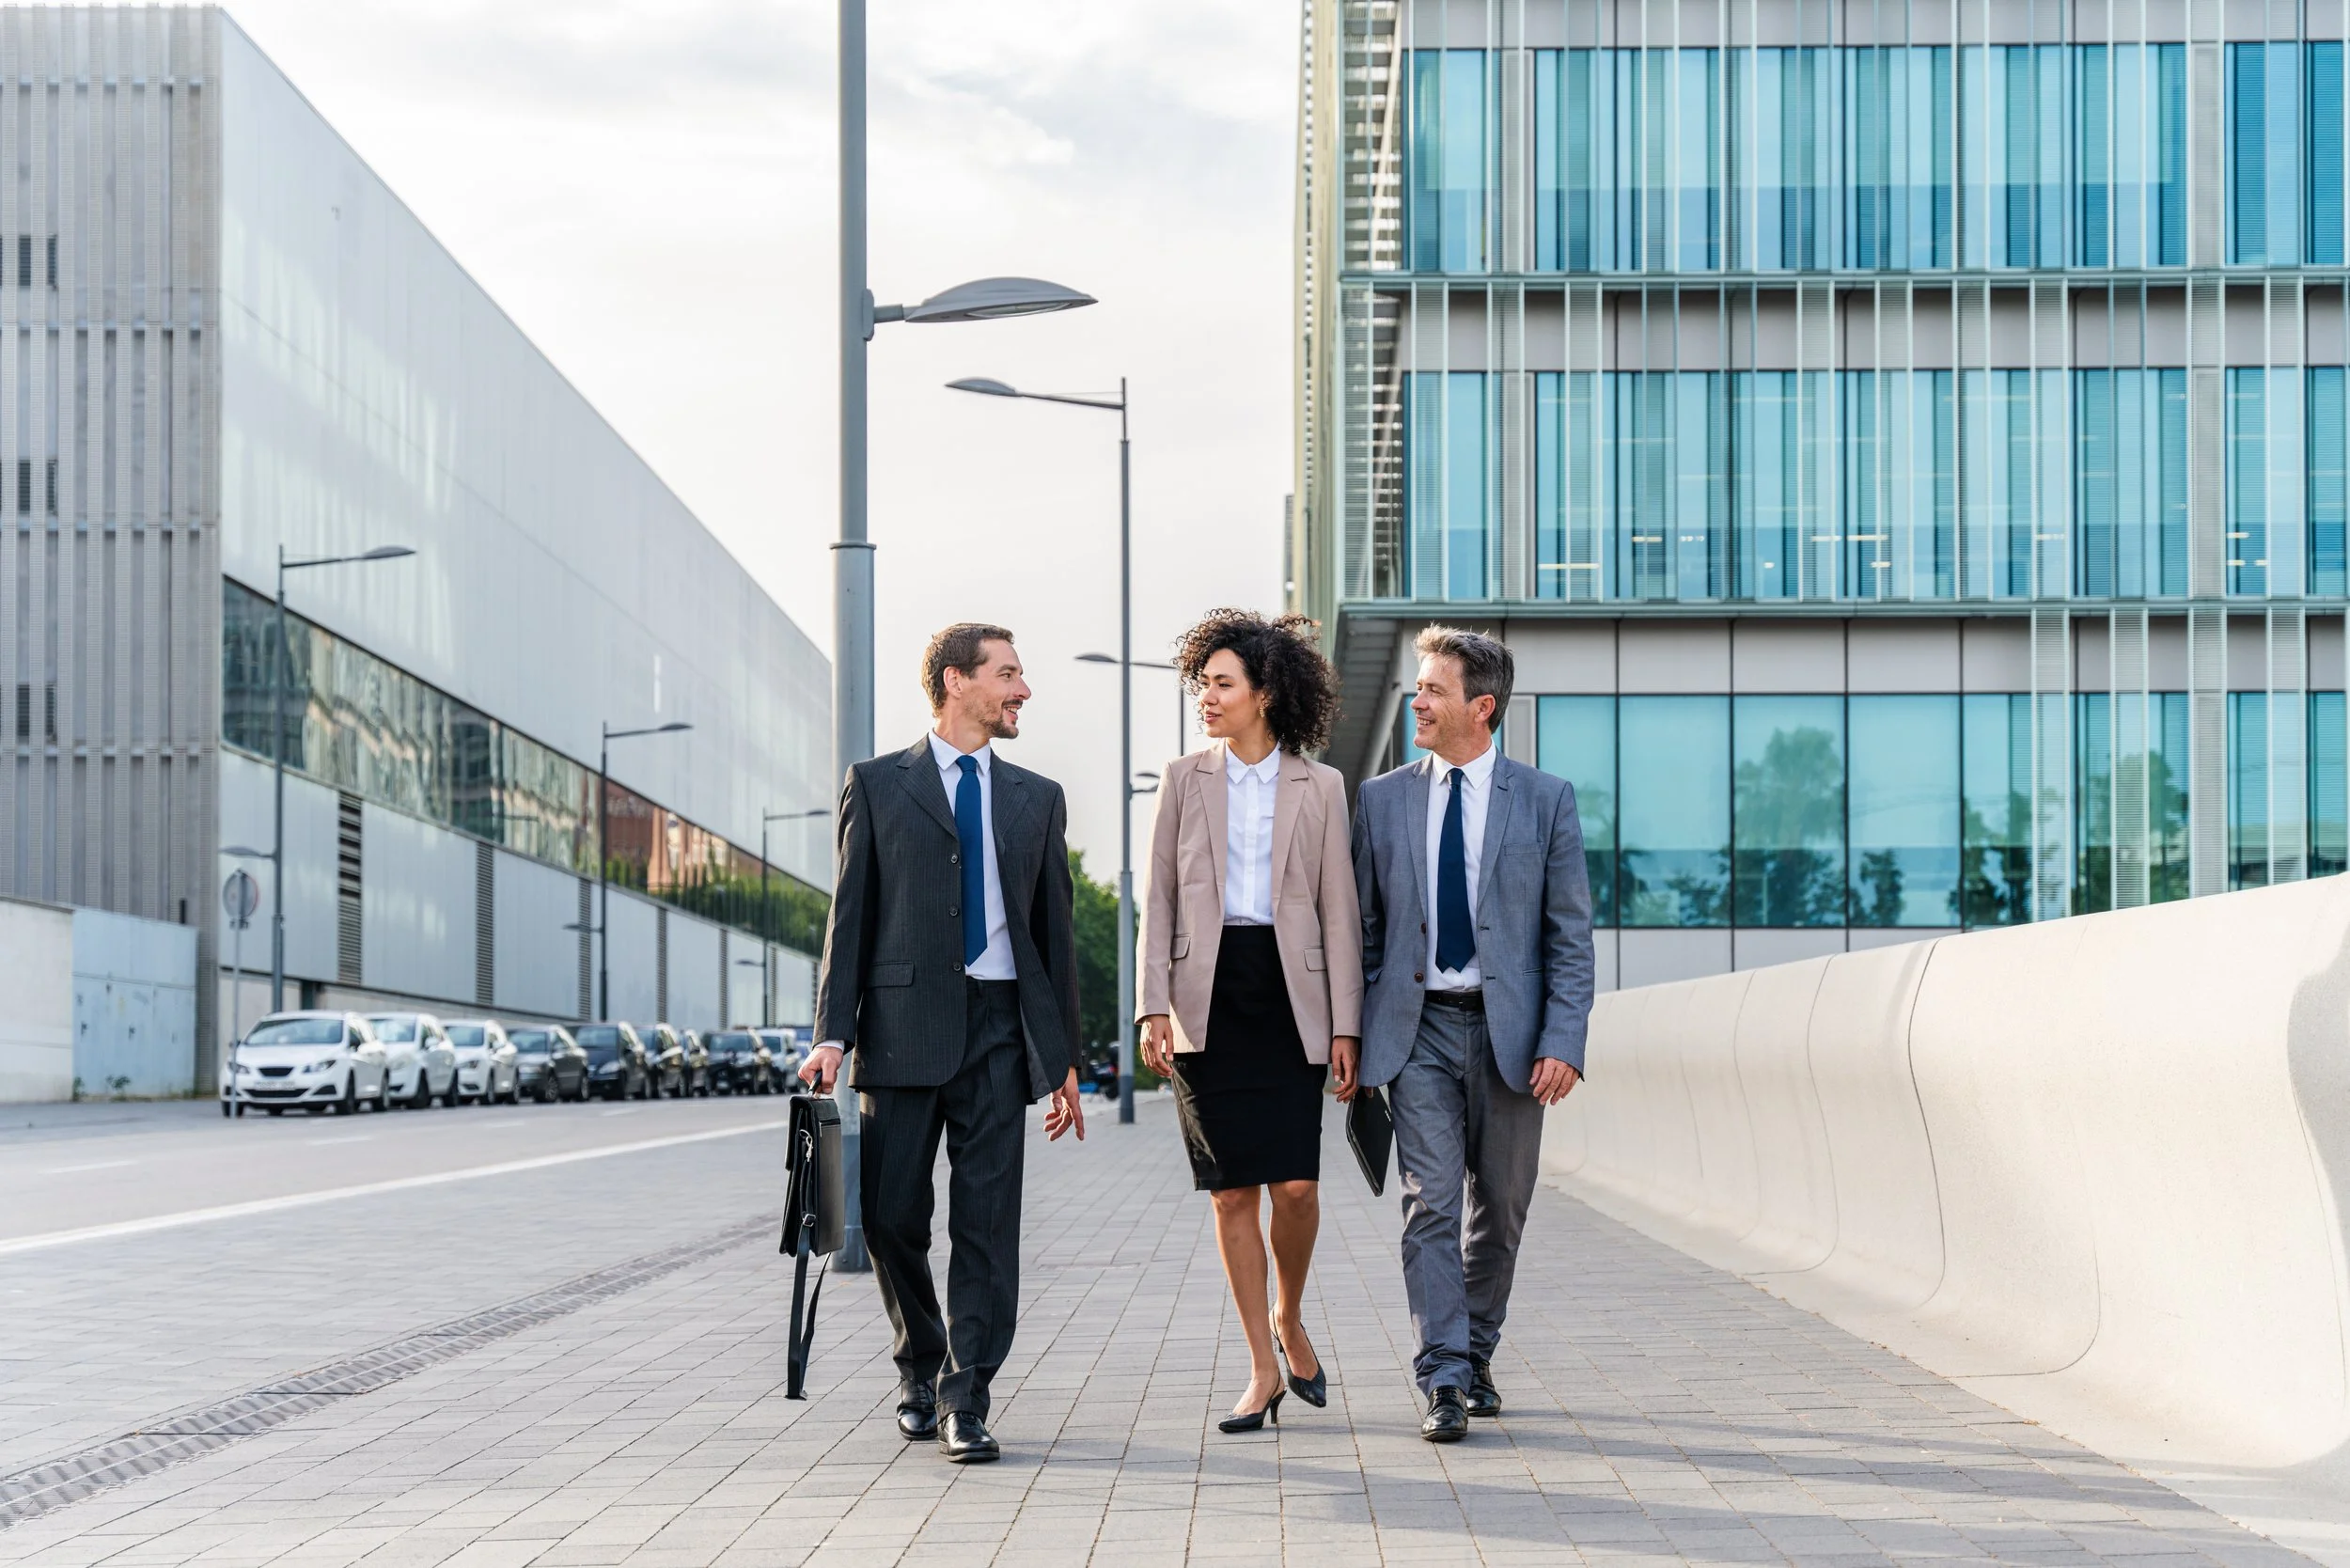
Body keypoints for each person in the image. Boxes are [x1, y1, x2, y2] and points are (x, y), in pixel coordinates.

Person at [802, 622, 1088, 1465]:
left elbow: (1054, 936)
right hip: (900, 1033)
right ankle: (920, 1363)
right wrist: (832, 1033)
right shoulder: (879, 785)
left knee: (988, 1225)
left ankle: (967, 1395)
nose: (1023, 689)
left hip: (1001, 1031)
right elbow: (847, 917)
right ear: (956, 682)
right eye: (1008, 674)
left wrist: (1062, 1055)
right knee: (891, 1219)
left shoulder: (1037, 797)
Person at [1350, 626, 1592, 1443]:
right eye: (1416, 686)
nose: (1415, 700)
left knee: (1503, 1210)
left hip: (1512, 1036)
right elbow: (1366, 931)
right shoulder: (1381, 800)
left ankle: (1477, 1350)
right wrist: (1355, 1036)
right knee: (1431, 1205)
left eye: (1432, 689)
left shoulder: (1547, 798)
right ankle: (1444, 1374)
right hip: (1414, 1032)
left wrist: (1564, 1037)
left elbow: (1569, 933)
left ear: (1481, 707)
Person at [1137, 609, 1363, 1435]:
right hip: (1205, 997)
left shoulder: (1323, 786)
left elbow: (1340, 910)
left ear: (1265, 694)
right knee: (1232, 1192)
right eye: (1203, 684)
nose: (1208, 697)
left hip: (1291, 996)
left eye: (1222, 684)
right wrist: (1150, 1003)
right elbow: (1156, 896)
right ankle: (1263, 1369)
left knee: (1296, 1185)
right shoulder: (1182, 778)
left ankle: (1288, 1314)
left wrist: (1348, 1025)